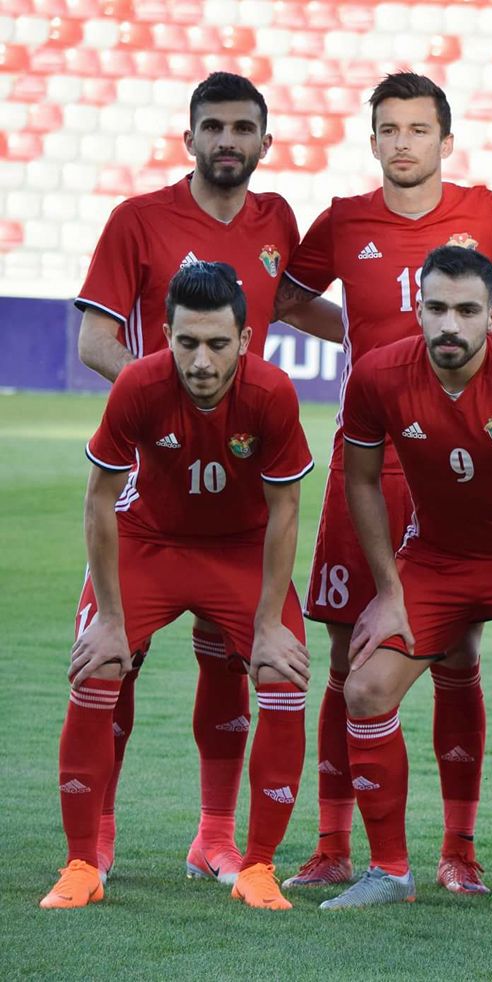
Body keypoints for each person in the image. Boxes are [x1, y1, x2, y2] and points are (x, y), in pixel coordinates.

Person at [72, 71, 338, 885]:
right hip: (152, 486)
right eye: (213, 127)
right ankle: (97, 839)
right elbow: (93, 340)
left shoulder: (277, 219)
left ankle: (217, 838)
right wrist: (168, 399)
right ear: (188, 137)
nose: (227, 141)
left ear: (265, 142)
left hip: (239, 499)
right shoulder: (138, 220)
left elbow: (291, 309)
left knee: (233, 663)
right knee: (111, 658)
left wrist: (383, 336)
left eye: (242, 128)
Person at [275, 72, 492, 896]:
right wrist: (359, 332)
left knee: (457, 650)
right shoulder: (344, 220)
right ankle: (333, 844)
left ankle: (459, 849)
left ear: (446, 141)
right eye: (389, 128)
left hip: (456, 463)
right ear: (372, 139)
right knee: (346, 653)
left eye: (419, 129)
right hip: (370, 461)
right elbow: (287, 299)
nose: (403, 143)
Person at [316, 246, 492, 921]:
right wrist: (389, 591)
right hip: (436, 558)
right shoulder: (378, 375)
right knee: (364, 690)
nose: (449, 324)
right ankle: (389, 871)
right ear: (417, 309)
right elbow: (360, 479)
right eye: (436, 307)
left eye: (467, 311)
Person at [43, 261, 314, 911]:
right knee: (96, 665)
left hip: (238, 549)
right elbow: (99, 500)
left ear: (245, 340)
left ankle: (256, 866)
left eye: (217, 344)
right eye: (186, 342)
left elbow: (285, 512)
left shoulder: (272, 392)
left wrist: (269, 624)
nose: (200, 361)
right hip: (150, 542)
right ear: (166, 335)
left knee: (283, 674)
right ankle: (83, 862)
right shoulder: (139, 384)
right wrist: (110, 619)